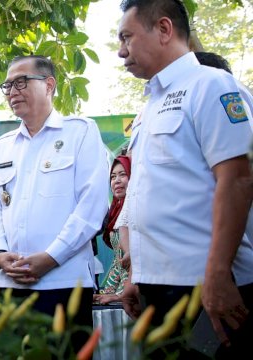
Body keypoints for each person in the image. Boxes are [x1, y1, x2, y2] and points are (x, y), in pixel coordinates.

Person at [117, 0, 253, 356]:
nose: (121, 52)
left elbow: (237, 179)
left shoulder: (211, 85)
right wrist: (137, 276)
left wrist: (219, 273)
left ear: (164, 29)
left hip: (205, 286)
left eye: (127, 37)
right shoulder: (148, 107)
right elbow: (144, 192)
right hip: (155, 287)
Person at [0, 55, 109, 352]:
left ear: (49, 84)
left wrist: (51, 257)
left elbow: (92, 206)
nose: (12, 91)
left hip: (63, 283)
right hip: (7, 284)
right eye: (7, 85)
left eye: (21, 82)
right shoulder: (1, 147)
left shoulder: (80, 131)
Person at [93, 156, 131, 305]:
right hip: (122, 288)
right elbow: (119, 260)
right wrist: (108, 291)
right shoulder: (115, 212)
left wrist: (121, 294)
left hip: (134, 288)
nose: (117, 181)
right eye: (113, 177)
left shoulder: (139, 212)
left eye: (123, 174)